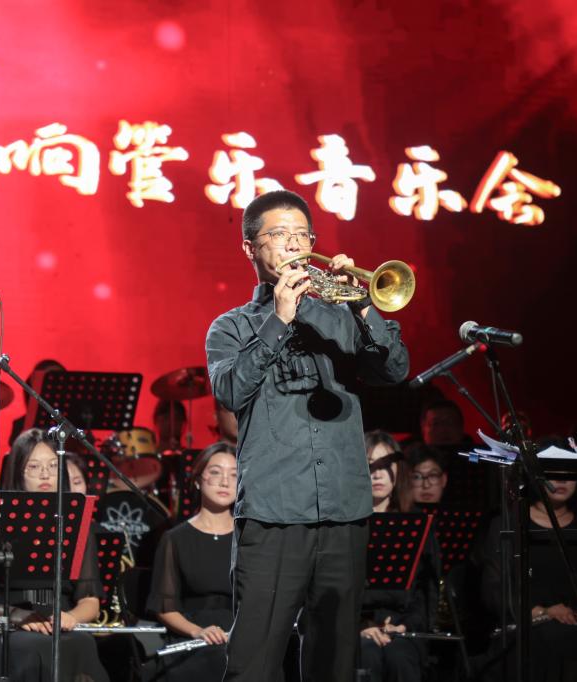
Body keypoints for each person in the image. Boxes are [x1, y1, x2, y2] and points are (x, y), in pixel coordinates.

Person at [206, 189, 409, 681]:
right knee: (253, 663)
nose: (295, 244)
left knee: (334, 664)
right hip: (273, 514)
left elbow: (395, 370)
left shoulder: (340, 317)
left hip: (344, 511)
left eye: (303, 235)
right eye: (280, 234)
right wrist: (278, 320)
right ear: (250, 248)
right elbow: (231, 391)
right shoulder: (231, 327)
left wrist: (364, 307)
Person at [0, 428, 108, 682]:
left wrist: (70, 617)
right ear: (18, 472)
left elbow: (90, 601)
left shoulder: (76, 525)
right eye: (34, 466)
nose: (45, 474)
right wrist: (16, 616)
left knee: (83, 643)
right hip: (11, 626)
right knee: (35, 647)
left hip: (59, 624)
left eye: (53, 466)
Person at [480, 478, 577, 681]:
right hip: (527, 624)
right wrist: (543, 612)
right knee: (551, 642)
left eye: (568, 473)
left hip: (575, 625)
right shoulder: (509, 524)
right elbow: (494, 590)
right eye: (553, 472)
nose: (562, 480)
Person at [145, 442, 237, 681]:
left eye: (234, 475)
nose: (225, 482)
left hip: (241, 633)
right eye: (215, 472)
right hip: (192, 635)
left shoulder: (251, 537)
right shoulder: (175, 539)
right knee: (216, 661)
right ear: (198, 480)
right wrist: (198, 631)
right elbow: (165, 608)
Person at [360, 431, 435, 682]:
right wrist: (360, 625)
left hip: (403, 625)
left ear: (398, 469)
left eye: (385, 465)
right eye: (370, 465)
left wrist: (405, 625)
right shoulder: (346, 527)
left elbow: (426, 591)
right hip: (357, 625)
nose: (377, 474)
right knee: (367, 655)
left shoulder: (416, 523)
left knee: (400, 657)